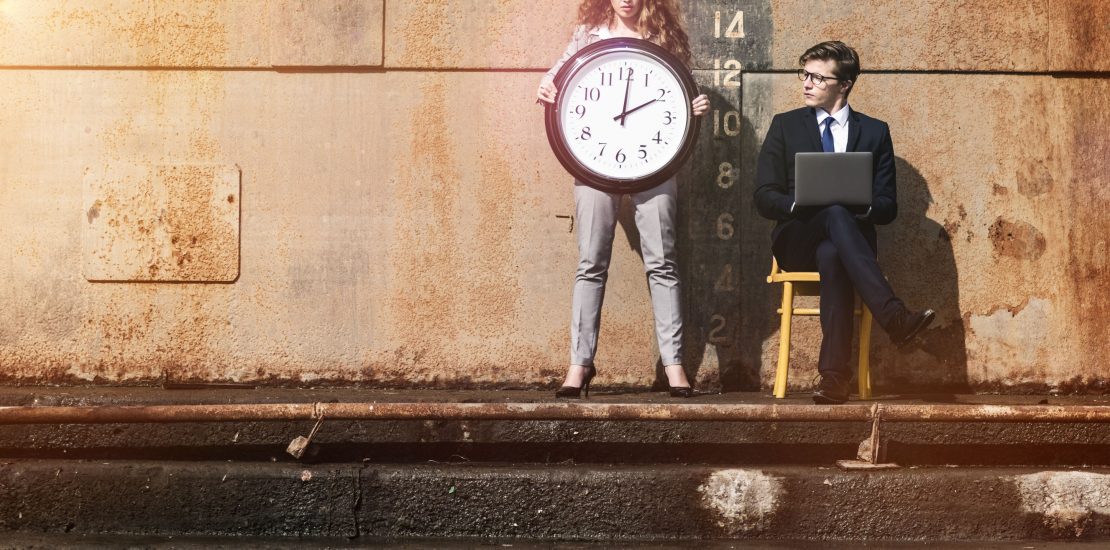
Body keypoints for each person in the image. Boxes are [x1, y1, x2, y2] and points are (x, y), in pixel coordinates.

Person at [537, 0, 710, 398]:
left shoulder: (664, 38)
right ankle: (579, 366)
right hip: (593, 160)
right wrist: (546, 84)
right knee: (590, 263)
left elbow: (678, 91)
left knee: (663, 263)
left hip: (655, 161)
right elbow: (559, 77)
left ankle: (674, 366)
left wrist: (694, 104)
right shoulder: (587, 34)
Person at [753, 41, 935, 405]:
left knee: (835, 251)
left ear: (845, 84)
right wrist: (799, 203)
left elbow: (887, 206)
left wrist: (860, 207)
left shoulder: (874, 132)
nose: (807, 83)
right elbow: (763, 195)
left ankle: (834, 380)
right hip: (797, 240)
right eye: (805, 74)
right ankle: (894, 317)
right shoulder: (785, 126)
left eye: (818, 78)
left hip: (845, 245)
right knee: (833, 212)